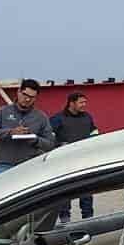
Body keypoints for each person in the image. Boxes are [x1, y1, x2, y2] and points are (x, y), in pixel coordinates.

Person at [0, 79, 55, 175]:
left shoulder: (41, 117)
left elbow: (50, 144)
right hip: (3, 166)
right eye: (25, 95)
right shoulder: (3, 112)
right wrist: (11, 132)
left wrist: (34, 139)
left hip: (29, 166)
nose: (27, 99)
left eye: (32, 97)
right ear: (18, 92)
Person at [49, 91, 99, 222]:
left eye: (85, 102)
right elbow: (48, 136)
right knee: (65, 191)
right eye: (81, 102)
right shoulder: (58, 119)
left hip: (84, 160)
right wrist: (59, 144)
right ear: (72, 103)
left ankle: (88, 219)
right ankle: (65, 220)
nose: (84, 105)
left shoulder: (87, 117)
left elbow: (94, 132)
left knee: (86, 191)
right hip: (64, 162)